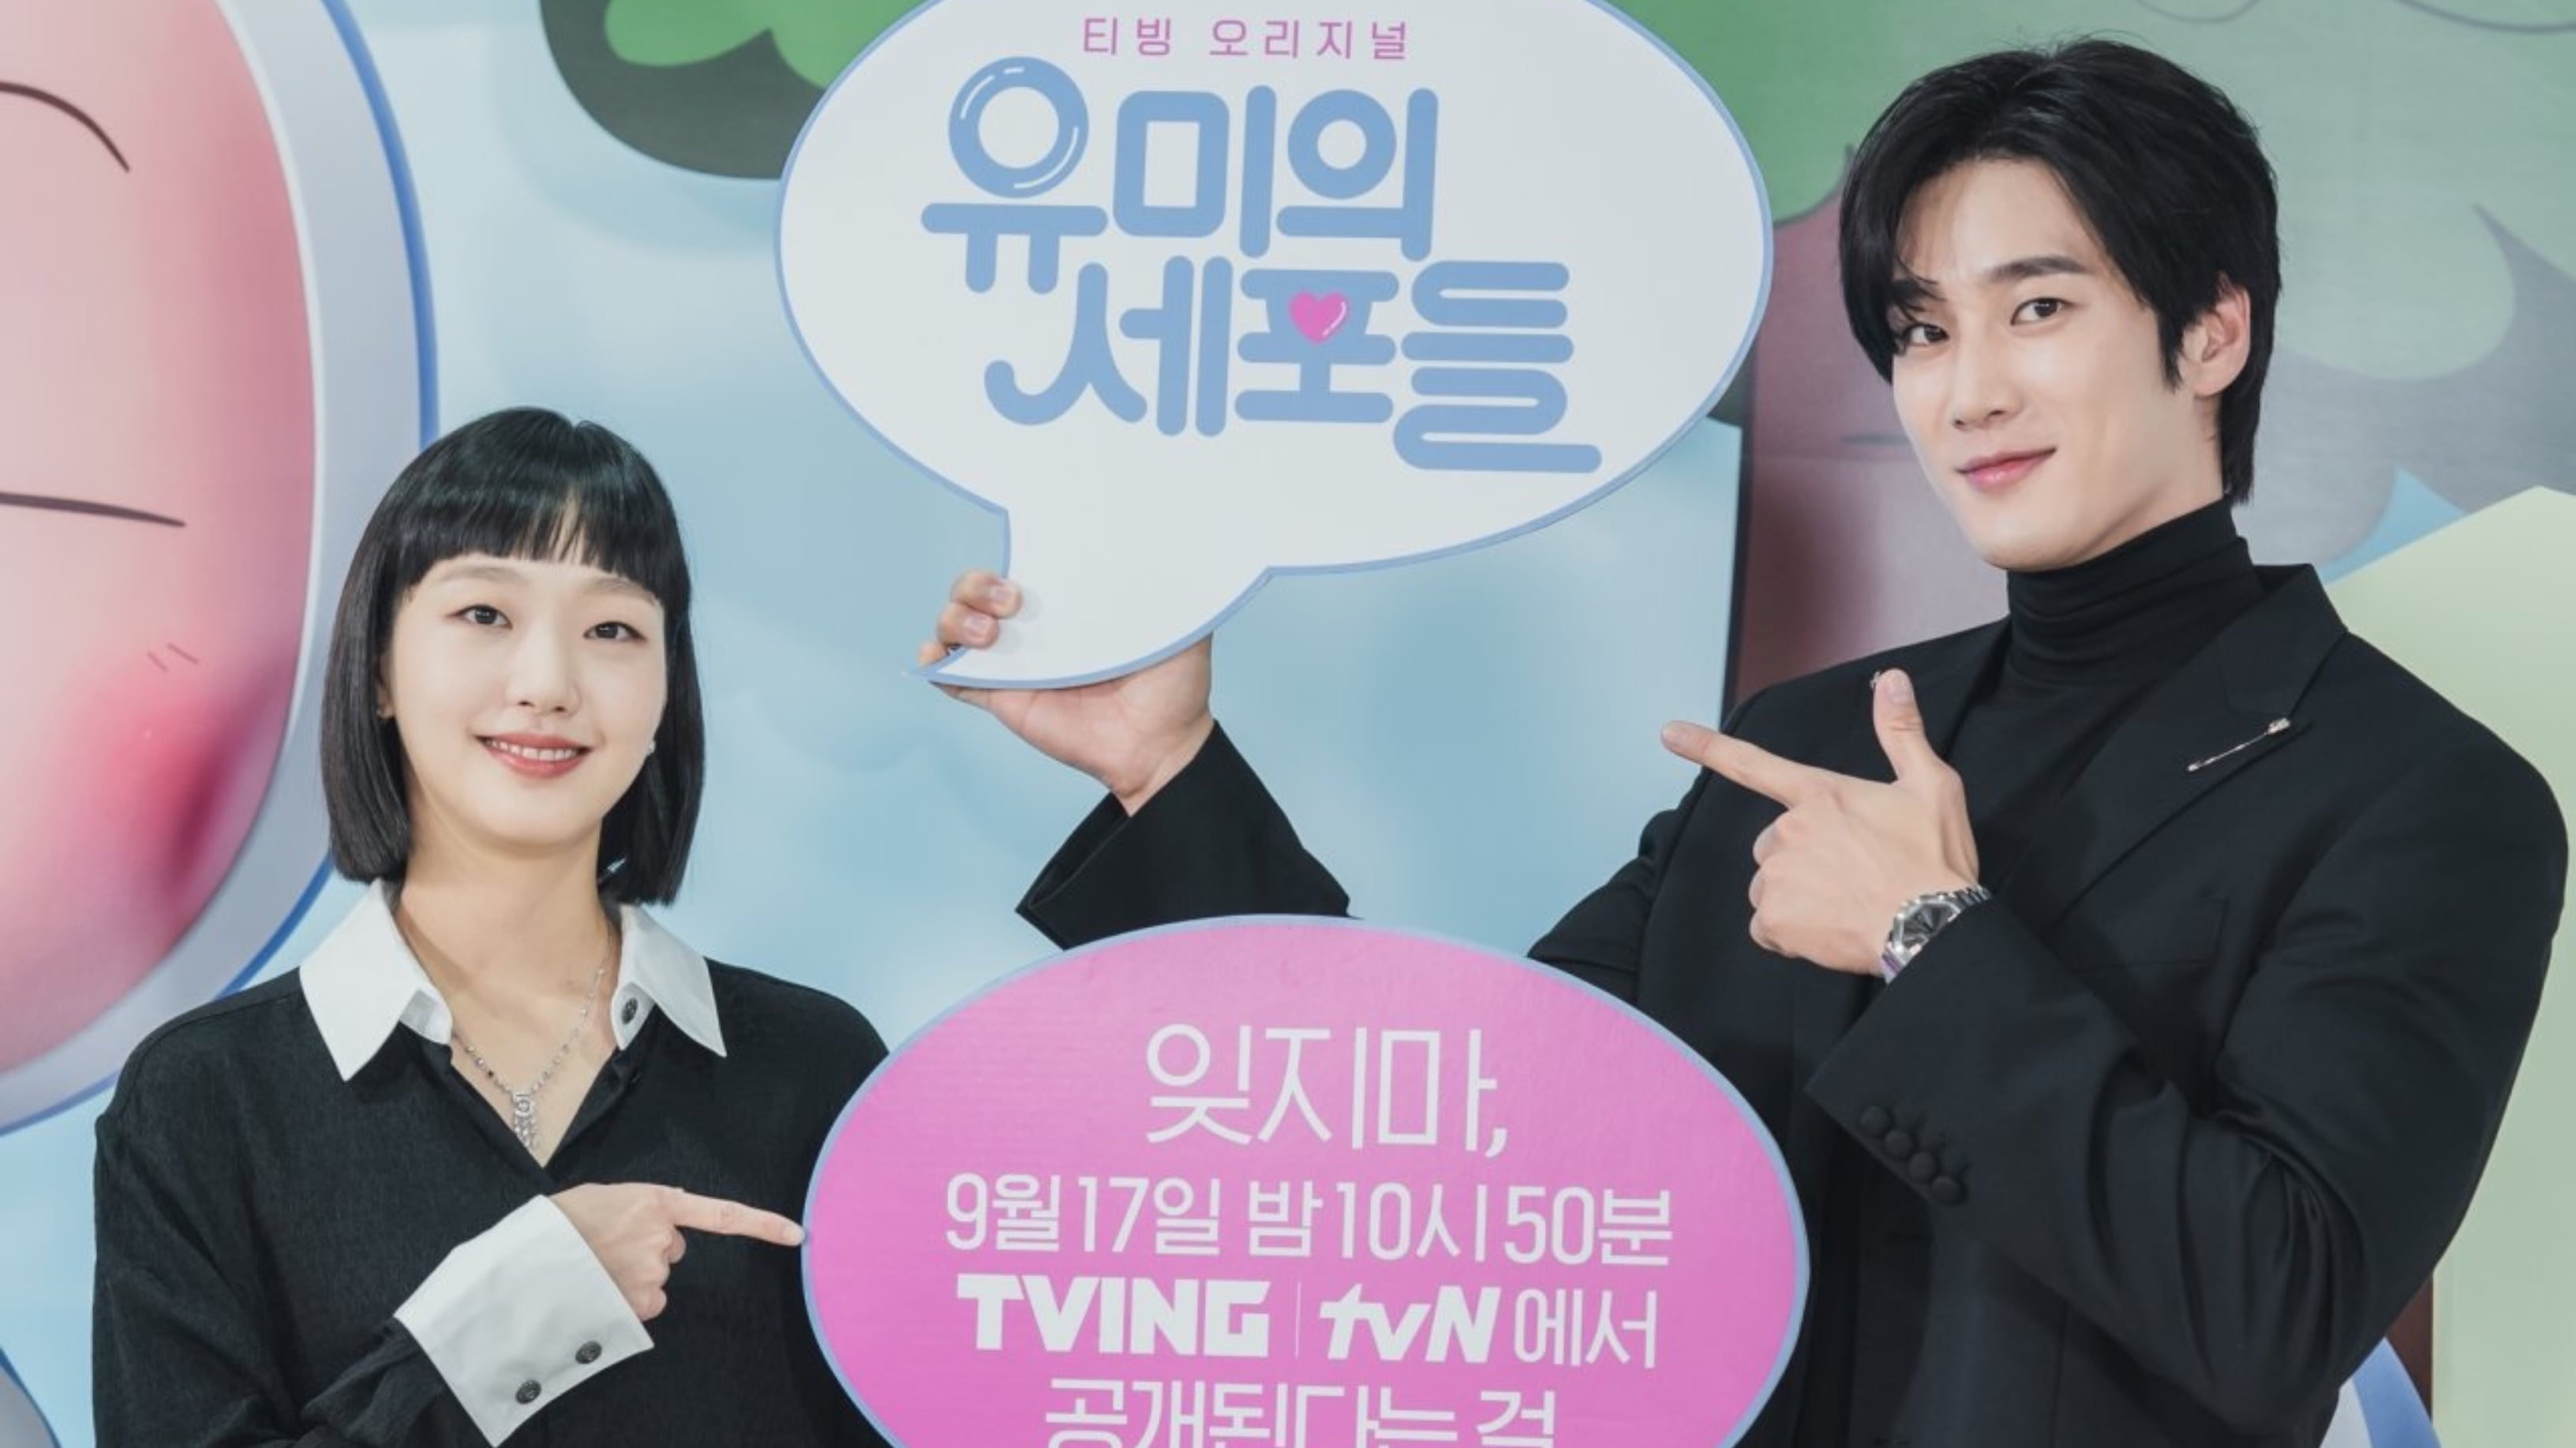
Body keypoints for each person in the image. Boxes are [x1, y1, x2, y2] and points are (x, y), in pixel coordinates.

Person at [923, 39, 2567, 1448]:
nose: (1969, 392)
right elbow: (1461, 1128)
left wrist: (1929, 936)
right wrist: (1167, 772)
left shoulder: (2419, 797)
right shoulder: (1804, 743)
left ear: (2211, 331)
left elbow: (2279, 1302)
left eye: (2039, 307)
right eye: (1922, 331)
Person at [94, 410, 889, 1446]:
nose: (548, 684)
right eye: (484, 613)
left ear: (665, 693)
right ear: (380, 670)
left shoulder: (816, 1071)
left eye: (613, 630)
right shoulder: (206, 1100)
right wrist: (511, 1323)